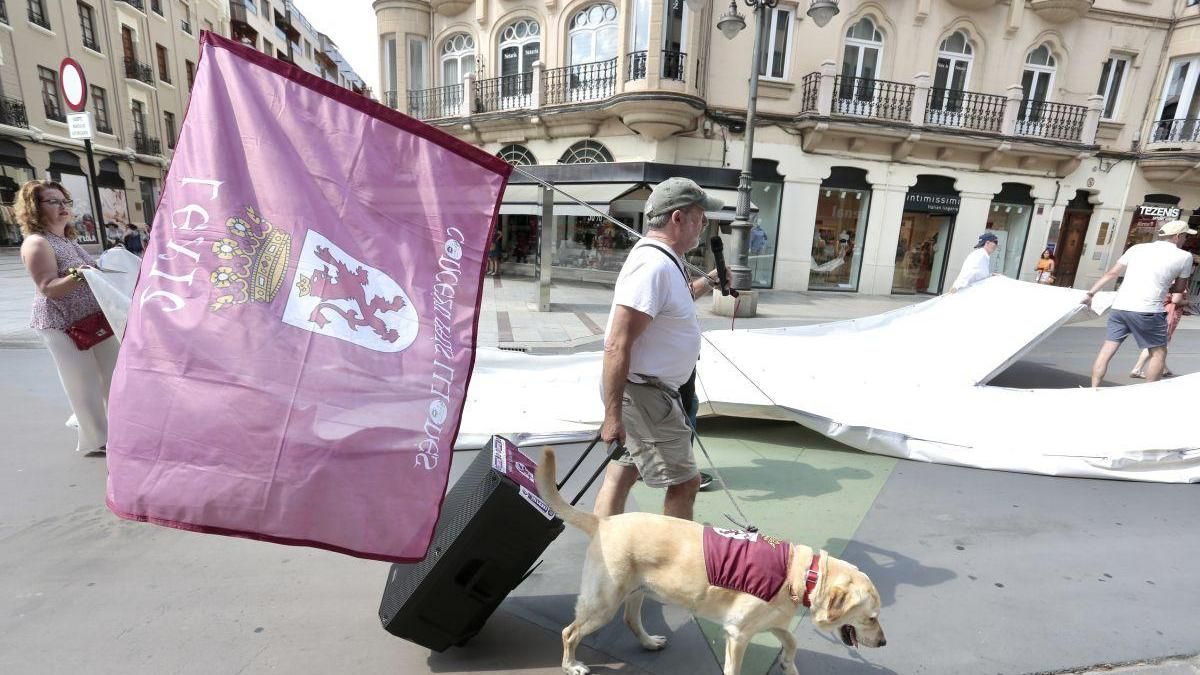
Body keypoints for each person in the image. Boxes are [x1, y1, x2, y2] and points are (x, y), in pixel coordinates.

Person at [594, 177, 722, 521]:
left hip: (647, 393)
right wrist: (612, 417)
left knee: (624, 471)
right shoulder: (653, 266)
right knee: (685, 483)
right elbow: (617, 343)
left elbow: (672, 305)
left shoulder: (667, 260)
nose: (703, 226)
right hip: (645, 395)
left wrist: (708, 281)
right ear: (678, 218)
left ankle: (604, 551)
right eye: (700, 218)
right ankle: (671, 568)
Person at [15, 180, 120, 455]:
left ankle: (108, 425)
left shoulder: (66, 239)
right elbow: (48, 287)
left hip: (92, 319)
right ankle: (97, 438)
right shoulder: (37, 243)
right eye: (53, 202)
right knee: (82, 381)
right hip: (61, 323)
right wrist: (78, 274)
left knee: (112, 375)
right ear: (35, 208)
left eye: (65, 201)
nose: (63, 207)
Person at [1083, 220, 1195, 387]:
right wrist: (1182, 296)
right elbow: (1178, 293)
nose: (1186, 239)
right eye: (1185, 236)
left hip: (1120, 306)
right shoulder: (1185, 257)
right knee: (1158, 353)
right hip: (1149, 310)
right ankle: (1149, 394)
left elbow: (1112, 273)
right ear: (1178, 236)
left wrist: (1091, 293)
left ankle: (1093, 388)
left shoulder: (1136, 248)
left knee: (1107, 349)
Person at [1130, 288, 1187, 378]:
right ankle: (1137, 369)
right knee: (1157, 343)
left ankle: (1164, 369)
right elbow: (1176, 300)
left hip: (1160, 311)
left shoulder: (1169, 279)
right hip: (1169, 314)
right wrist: (1187, 302)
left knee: (1158, 343)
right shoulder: (1180, 281)